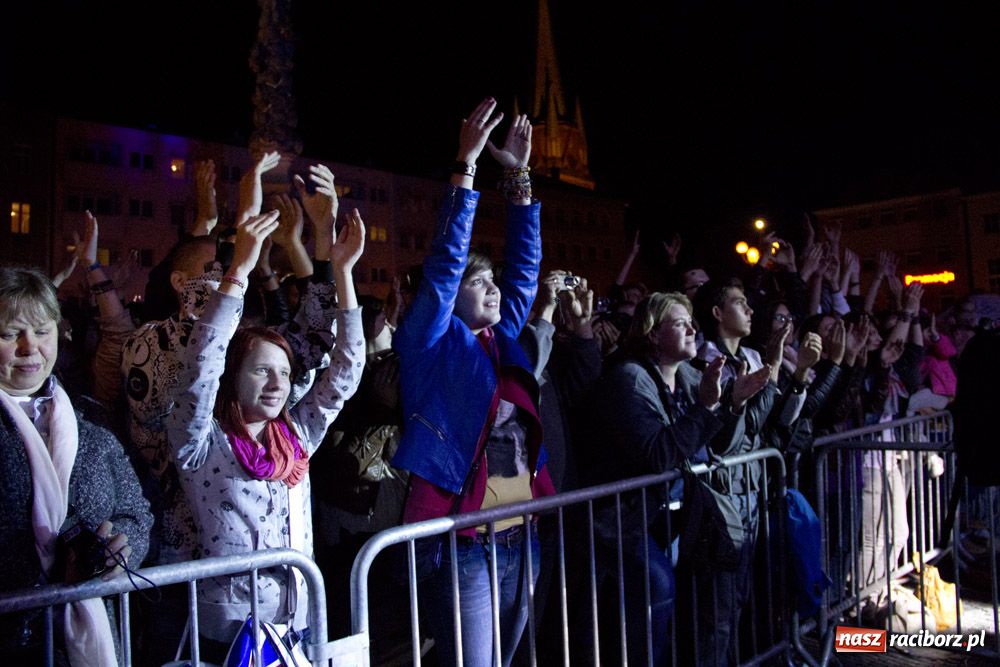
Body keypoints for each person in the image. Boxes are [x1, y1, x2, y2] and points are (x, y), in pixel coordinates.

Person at [391, 99, 553, 667]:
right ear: (450, 298)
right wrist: (466, 167)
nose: (492, 288)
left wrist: (520, 178)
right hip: (466, 547)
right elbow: (445, 261)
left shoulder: (500, 338)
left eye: (492, 280)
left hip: (521, 537)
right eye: (477, 281)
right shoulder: (431, 343)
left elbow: (526, 268)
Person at [166, 208, 365, 651]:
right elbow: (202, 363)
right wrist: (238, 270)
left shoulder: (297, 437)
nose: (278, 384)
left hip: (299, 623)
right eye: (261, 371)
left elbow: (347, 372)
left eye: (283, 372)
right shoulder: (201, 444)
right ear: (233, 375)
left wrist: (345, 274)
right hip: (232, 632)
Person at [585, 292, 768, 666]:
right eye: (680, 322)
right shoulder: (629, 379)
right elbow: (659, 454)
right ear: (653, 334)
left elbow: (715, 445)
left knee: (675, 614)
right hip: (624, 522)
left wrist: (731, 404)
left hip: (667, 518)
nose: (692, 328)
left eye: (691, 321)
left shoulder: (686, 374)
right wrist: (705, 407)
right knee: (652, 603)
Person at [0, 266, 152, 665]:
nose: (29, 347)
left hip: (86, 638)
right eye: (9, 333)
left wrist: (120, 547)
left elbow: (136, 513)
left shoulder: (90, 419)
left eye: (41, 331)